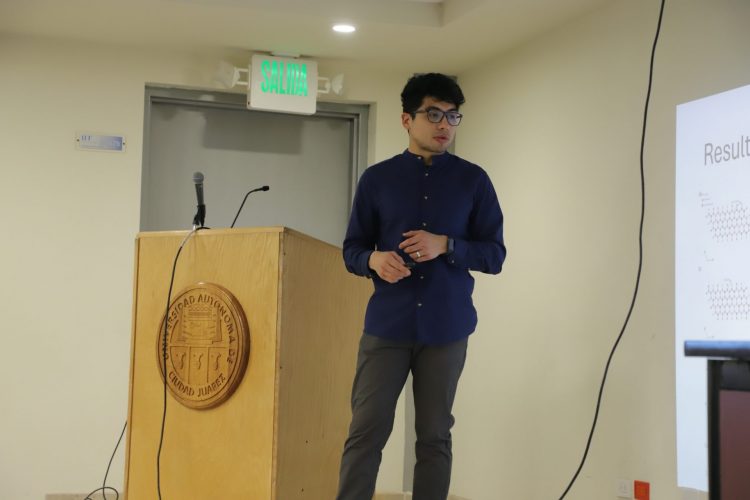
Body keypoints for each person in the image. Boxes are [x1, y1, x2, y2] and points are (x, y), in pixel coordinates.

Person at [337, 72, 506, 500]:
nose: (444, 124)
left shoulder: (474, 181)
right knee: (365, 432)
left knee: (434, 437)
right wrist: (373, 260)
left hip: (446, 329)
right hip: (387, 327)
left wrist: (447, 244)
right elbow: (352, 249)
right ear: (406, 120)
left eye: (452, 116)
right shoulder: (377, 179)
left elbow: (494, 255)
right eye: (433, 114)